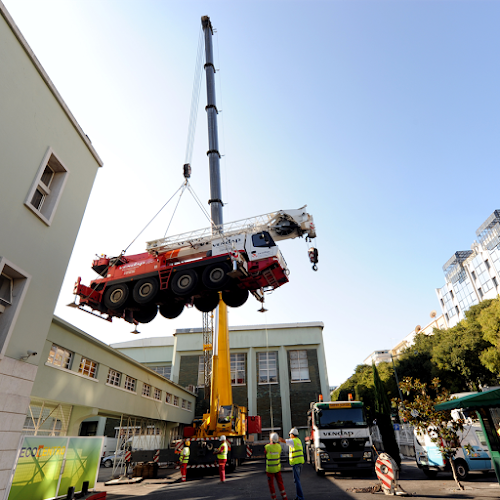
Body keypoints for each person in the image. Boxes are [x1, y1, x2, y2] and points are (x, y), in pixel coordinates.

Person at [279, 428, 304, 500]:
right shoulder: (298, 440)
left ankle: (300, 497)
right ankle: (298, 496)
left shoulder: (292, 441)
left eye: (290, 434)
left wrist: (275, 437)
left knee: (297, 481)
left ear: (292, 435)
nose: (289, 435)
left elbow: (283, 441)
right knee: (297, 480)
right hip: (300, 462)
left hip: (296, 463)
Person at [265, 433, 288, 500]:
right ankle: (284, 497)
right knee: (280, 483)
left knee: (271, 485)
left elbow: (265, 453)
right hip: (277, 468)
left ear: (271, 439)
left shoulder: (267, 446)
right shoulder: (279, 446)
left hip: (269, 469)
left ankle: (274, 498)